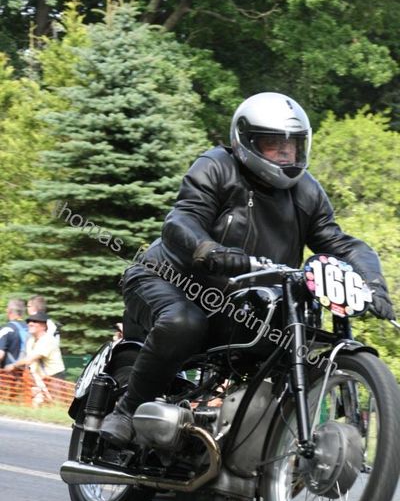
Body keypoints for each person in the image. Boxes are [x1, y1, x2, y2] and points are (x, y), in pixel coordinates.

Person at [100, 91, 395, 447]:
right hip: (172, 279)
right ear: (247, 141)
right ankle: (127, 410)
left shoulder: (306, 192)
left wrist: (372, 283)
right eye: (274, 145)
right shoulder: (216, 166)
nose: (285, 154)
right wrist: (209, 250)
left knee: (291, 340)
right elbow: (182, 219)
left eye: (292, 145)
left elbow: (341, 244)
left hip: (237, 301)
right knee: (183, 322)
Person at [5, 311, 65, 381]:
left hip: (55, 379)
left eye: (35, 321)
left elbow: (29, 359)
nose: (30, 324)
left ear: (43, 326)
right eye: (29, 322)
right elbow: (28, 362)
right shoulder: (31, 340)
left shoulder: (48, 340)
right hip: (42, 379)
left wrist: (13, 366)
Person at [0, 299, 28, 368]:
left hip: (9, 372)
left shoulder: (6, 329)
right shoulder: (29, 328)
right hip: (27, 372)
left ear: (9, 311)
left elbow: (0, 355)